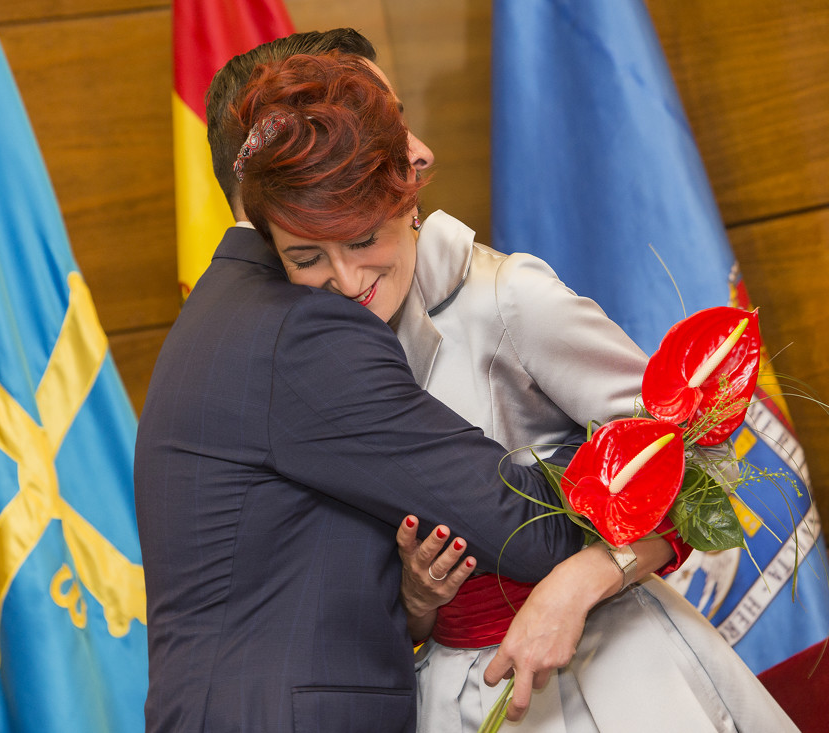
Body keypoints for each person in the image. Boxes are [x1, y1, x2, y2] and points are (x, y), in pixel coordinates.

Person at [228, 51, 800, 732]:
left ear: (405, 191)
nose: (348, 280)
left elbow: (697, 465)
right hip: (450, 696)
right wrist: (417, 596)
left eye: (362, 239)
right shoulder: (311, 364)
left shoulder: (509, 298)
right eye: (306, 257)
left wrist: (575, 583)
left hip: (608, 671)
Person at [135, 38, 595, 733]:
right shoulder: (304, 328)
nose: (416, 152)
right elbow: (522, 528)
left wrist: (416, 593)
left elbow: (318, 574)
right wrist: (614, 449)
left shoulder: (230, 307)